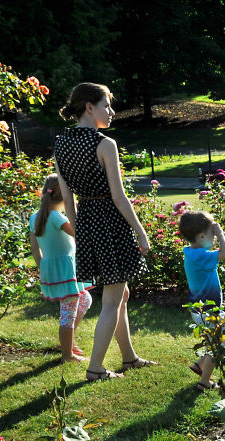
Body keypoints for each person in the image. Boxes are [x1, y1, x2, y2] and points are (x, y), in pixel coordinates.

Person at [54, 82, 155, 382]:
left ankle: (129, 357)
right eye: (106, 106)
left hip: (87, 219)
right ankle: (96, 368)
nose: (111, 112)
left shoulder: (60, 144)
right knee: (112, 298)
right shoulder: (105, 144)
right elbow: (119, 197)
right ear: (89, 107)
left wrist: (79, 229)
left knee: (120, 292)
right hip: (110, 222)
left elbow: (66, 193)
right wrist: (141, 232)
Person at [29, 173, 93, 363]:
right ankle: (67, 355)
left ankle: (67, 341)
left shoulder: (35, 217)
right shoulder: (57, 217)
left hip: (53, 268)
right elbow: (79, 234)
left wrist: (43, 267)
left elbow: (34, 247)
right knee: (68, 312)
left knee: (85, 299)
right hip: (65, 270)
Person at [179, 211, 225, 391]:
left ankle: (201, 364)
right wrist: (221, 232)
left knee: (211, 339)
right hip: (209, 310)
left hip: (199, 310)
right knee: (218, 344)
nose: (215, 238)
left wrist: (213, 230)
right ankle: (205, 381)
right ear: (201, 236)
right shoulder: (202, 256)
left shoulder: (191, 253)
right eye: (212, 234)